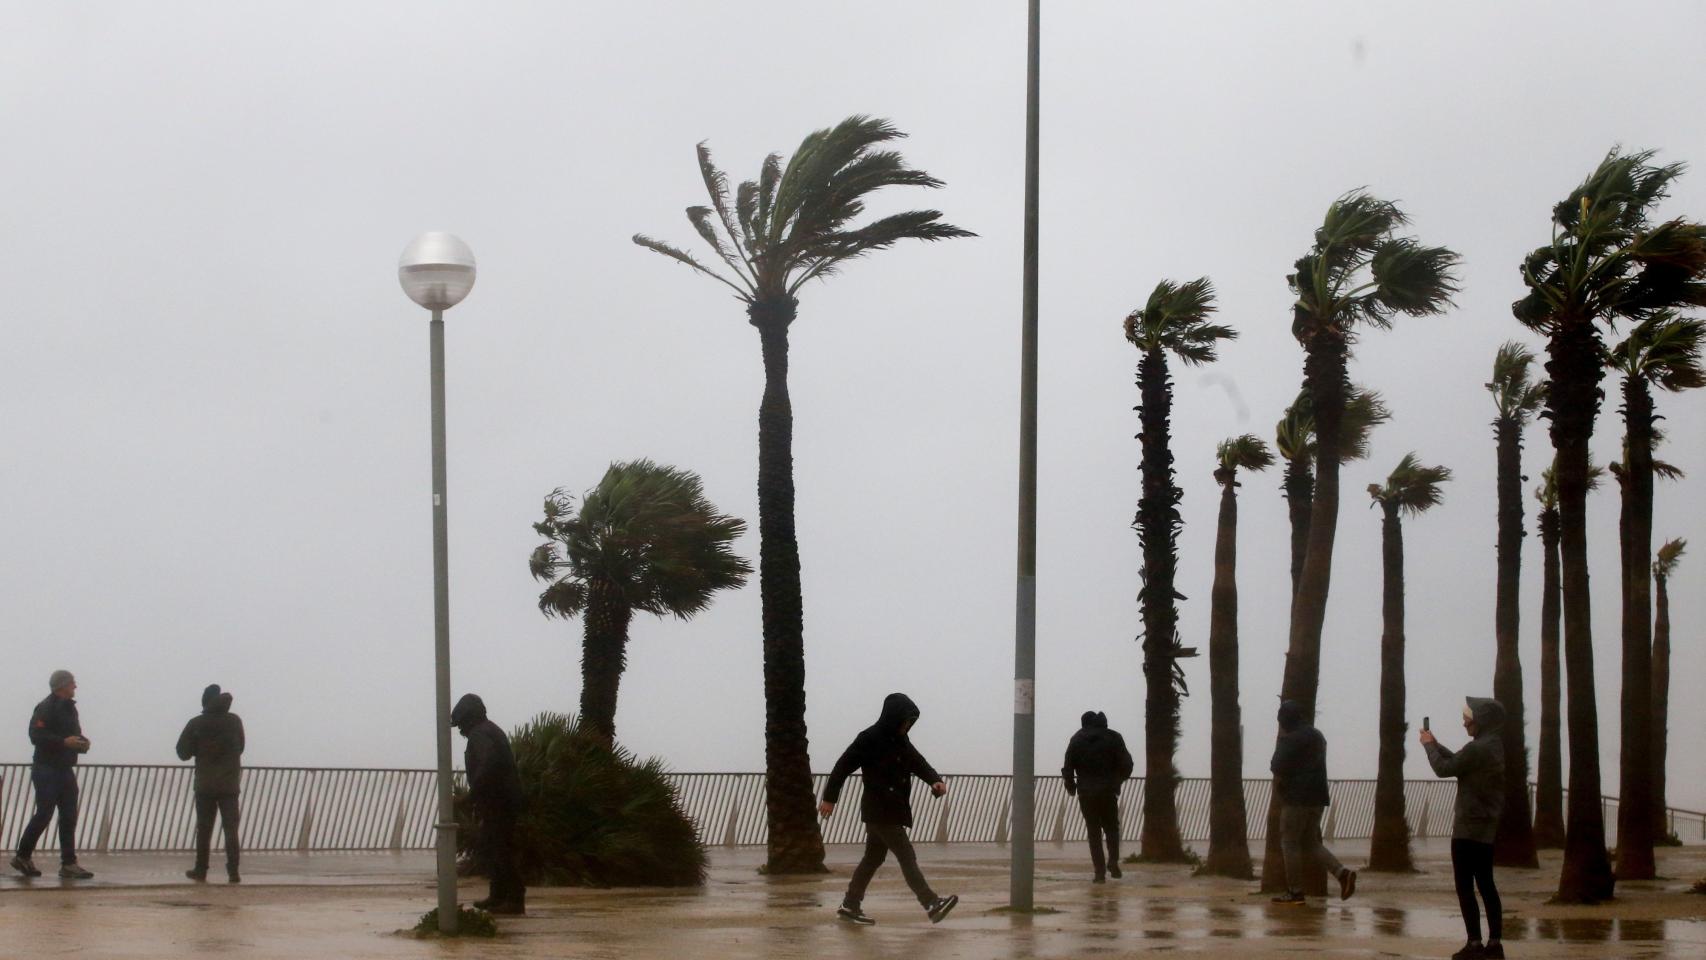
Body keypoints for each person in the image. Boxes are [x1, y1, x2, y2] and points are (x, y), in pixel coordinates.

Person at [819, 693, 958, 925]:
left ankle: (850, 905)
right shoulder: (869, 738)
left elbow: (918, 762)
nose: (908, 725)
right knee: (906, 855)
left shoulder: (901, 740)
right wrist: (829, 798)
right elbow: (842, 767)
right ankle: (931, 903)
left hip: (891, 810)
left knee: (873, 858)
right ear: (894, 718)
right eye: (905, 720)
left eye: (911, 722)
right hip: (880, 809)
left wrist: (934, 780)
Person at [1422, 697, 1507, 960]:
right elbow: (1460, 761)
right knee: (1486, 884)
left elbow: (1444, 768)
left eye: (1468, 718)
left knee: (1465, 886)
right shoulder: (1492, 746)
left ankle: (1474, 943)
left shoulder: (1477, 749)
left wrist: (1428, 748)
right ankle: (1494, 944)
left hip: (1467, 827)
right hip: (1486, 826)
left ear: (1481, 719)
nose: (1464, 722)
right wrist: (1435, 743)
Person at [1269, 699, 1355, 903]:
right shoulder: (1317, 736)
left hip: (1296, 798)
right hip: (1317, 798)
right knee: (1309, 842)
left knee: (1289, 842)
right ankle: (1342, 873)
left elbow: (1276, 766)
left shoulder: (1290, 739)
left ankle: (1295, 892)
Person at [11, 670, 94, 880]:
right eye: (72, 683)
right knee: (45, 812)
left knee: (69, 815)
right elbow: (36, 735)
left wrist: (82, 743)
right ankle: (23, 856)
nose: (75, 686)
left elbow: (72, 733)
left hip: (64, 768)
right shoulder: (46, 707)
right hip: (46, 768)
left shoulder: (70, 709)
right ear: (61, 685)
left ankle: (69, 863)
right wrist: (64, 742)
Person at [450, 693, 526, 915]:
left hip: (498, 802)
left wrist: (470, 795)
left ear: (469, 718)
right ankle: (499, 895)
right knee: (495, 847)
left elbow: (487, 765)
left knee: (499, 849)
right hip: (501, 800)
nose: (460, 731)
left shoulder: (480, 735)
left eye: (461, 725)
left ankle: (513, 898)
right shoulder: (488, 730)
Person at [176, 683, 246, 882]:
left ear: (205, 700)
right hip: (230, 784)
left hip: (205, 784)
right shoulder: (234, 721)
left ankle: (201, 869)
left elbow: (182, 753)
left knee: (204, 828)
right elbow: (241, 747)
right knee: (231, 829)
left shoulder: (197, 723)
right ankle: (233, 872)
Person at [1061, 710, 1133, 882]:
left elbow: (1068, 767)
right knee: (1111, 828)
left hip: (1086, 791)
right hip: (1108, 790)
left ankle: (1099, 872)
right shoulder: (1113, 737)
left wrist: (1071, 787)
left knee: (1093, 831)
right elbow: (1127, 764)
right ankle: (1113, 861)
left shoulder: (1076, 739)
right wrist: (1118, 780)